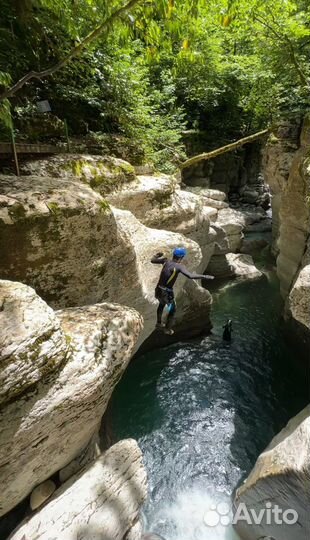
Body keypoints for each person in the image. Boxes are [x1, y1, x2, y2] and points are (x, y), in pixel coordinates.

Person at [151, 247, 214, 335]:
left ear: (174, 255)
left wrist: (157, 255)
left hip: (158, 289)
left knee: (161, 304)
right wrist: (205, 276)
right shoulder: (179, 266)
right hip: (167, 292)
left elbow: (153, 260)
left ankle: (158, 323)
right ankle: (167, 329)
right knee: (172, 310)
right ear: (181, 257)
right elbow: (190, 276)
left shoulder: (166, 261)